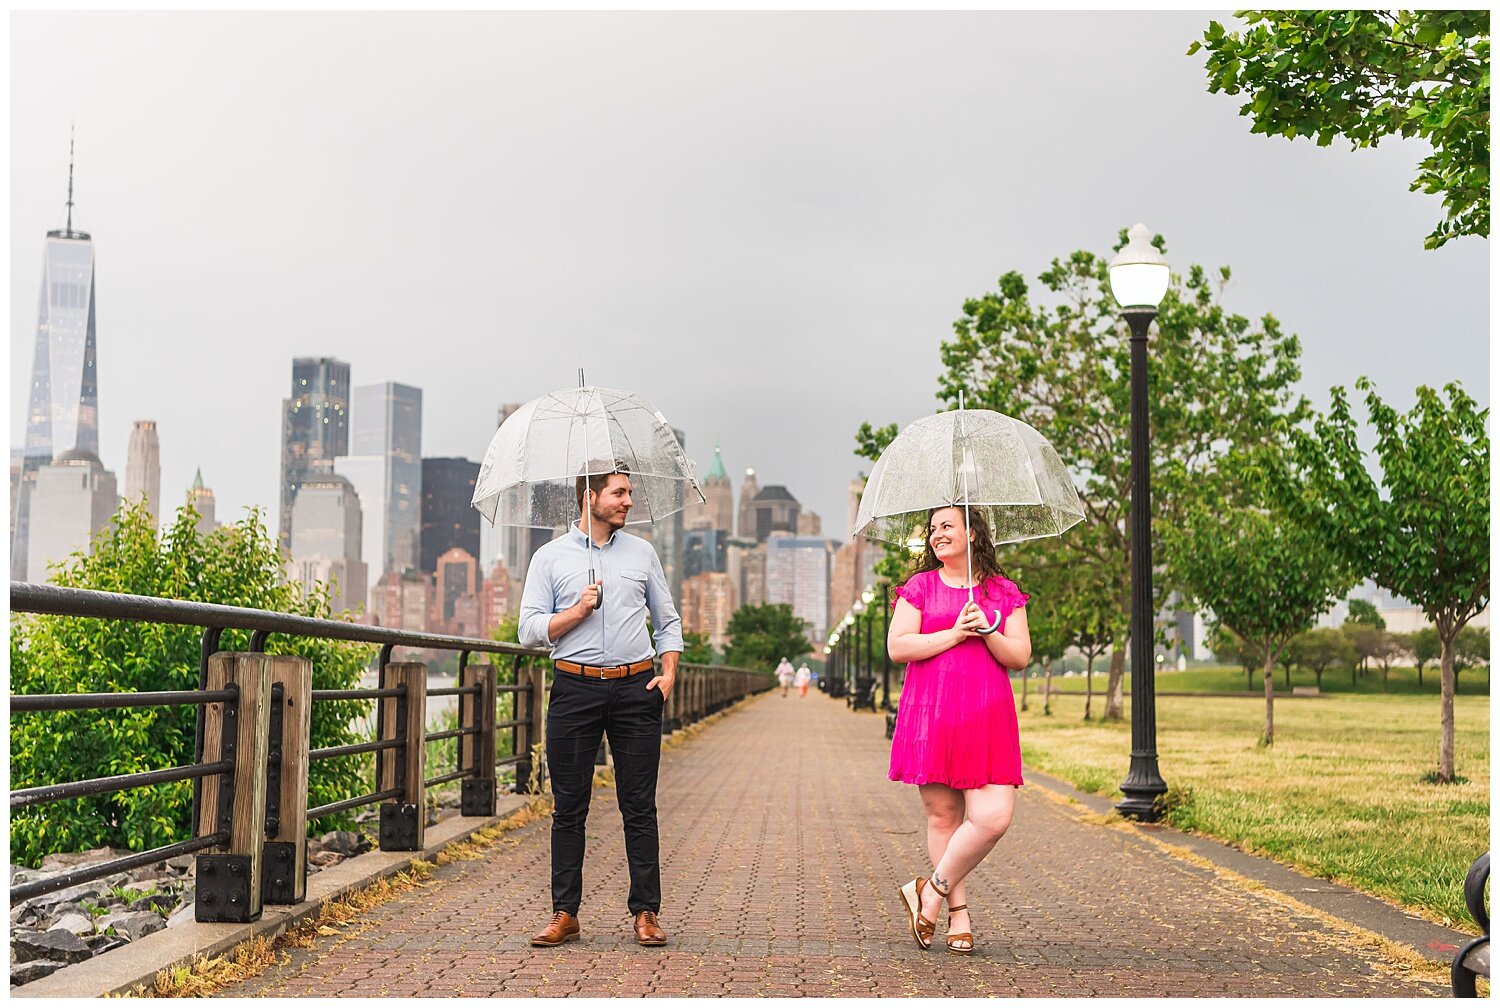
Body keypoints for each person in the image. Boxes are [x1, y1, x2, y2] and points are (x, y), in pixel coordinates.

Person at [518, 470, 682, 949]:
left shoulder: (642, 554)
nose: (629, 501)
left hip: (636, 689)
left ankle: (646, 912)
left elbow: (667, 621)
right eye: (619, 492)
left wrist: (667, 673)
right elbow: (529, 630)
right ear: (589, 497)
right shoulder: (549, 558)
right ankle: (565, 913)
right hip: (575, 688)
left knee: (639, 806)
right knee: (569, 808)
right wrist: (575, 612)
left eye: (628, 492)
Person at [888, 506, 1030, 956]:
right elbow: (898, 647)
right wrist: (953, 633)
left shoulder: (1004, 593)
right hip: (931, 715)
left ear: (972, 532)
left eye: (947, 526)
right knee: (943, 818)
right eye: (932, 529)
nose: (936, 535)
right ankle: (958, 913)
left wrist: (987, 630)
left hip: (987, 718)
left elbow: (1020, 656)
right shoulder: (920, 588)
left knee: (993, 818)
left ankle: (928, 891)